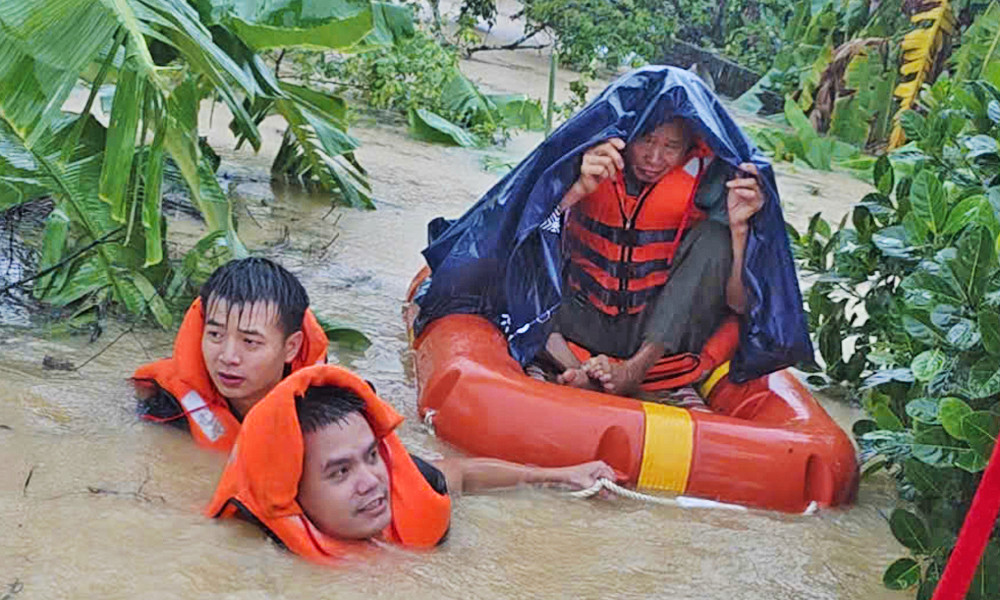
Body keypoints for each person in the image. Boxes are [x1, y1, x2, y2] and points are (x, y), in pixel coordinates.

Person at [206, 365, 616, 563]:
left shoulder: (410, 487)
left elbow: (463, 474)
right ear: (291, 491)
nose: (371, 482)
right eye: (340, 472)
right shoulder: (259, 550)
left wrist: (559, 477)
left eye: (370, 456)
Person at [542, 117, 765, 396]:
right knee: (523, 263)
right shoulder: (589, 157)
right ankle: (580, 372)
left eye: (671, 147)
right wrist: (575, 191)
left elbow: (739, 304)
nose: (654, 158)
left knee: (714, 238)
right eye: (646, 140)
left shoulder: (714, 182)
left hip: (655, 332)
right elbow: (521, 238)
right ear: (628, 136)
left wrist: (740, 230)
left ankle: (632, 373)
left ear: (689, 148)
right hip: (580, 316)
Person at [132, 257, 329, 452]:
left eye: (250, 342)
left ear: (291, 347)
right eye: (216, 335)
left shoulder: (331, 417)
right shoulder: (163, 404)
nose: (228, 357)